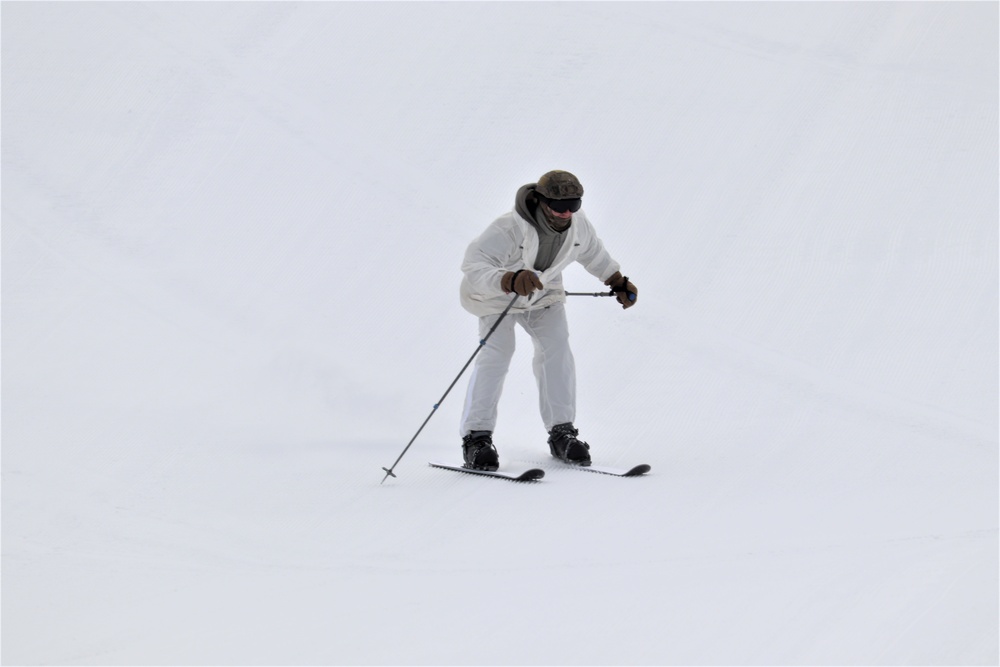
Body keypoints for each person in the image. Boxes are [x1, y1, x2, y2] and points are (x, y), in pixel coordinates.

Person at [458, 170, 637, 470]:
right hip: (496, 296)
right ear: (541, 201)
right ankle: (476, 438)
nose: (567, 211)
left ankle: (561, 432)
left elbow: (593, 253)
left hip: (543, 294)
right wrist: (508, 279)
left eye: (574, 204)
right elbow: (473, 266)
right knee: (497, 355)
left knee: (557, 349)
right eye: (560, 205)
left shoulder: (577, 226)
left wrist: (616, 280)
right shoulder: (507, 229)